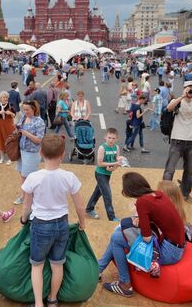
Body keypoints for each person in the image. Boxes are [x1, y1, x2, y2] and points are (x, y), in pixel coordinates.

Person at [20, 134, 86, 307]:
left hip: (41, 225)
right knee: (57, 265)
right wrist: (82, 222)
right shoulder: (69, 176)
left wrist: (23, 218)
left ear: (40, 152)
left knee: (37, 266)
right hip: (62, 224)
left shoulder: (33, 177)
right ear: (63, 154)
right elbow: (79, 205)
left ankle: (38, 303)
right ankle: (52, 299)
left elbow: (26, 206)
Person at [101, 172, 185, 297]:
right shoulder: (159, 194)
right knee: (120, 233)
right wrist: (140, 221)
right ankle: (98, 268)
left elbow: (147, 238)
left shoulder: (142, 202)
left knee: (116, 237)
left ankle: (125, 285)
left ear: (131, 190)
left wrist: (136, 224)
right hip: (177, 247)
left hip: (169, 253)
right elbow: (156, 217)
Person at [163, 81, 192, 204]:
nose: (191, 91)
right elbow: (169, 108)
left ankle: (185, 194)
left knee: (189, 171)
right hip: (177, 140)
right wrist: (182, 96)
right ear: (184, 89)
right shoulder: (178, 101)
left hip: (191, 141)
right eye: (188, 89)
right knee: (170, 169)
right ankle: (164, 196)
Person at [85, 128, 121, 221]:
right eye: (109, 138)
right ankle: (112, 217)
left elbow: (117, 160)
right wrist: (113, 165)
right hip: (100, 174)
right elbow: (100, 163)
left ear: (116, 139)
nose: (111, 140)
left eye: (113, 138)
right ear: (105, 137)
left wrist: (117, 164)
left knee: (98, 192)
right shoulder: (102, 148)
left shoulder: (116, 147)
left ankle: (89, 209)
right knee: (107, 194)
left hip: (108, 174)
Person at [14, 100, 46, 205]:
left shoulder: (39, 122)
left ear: (34, 109)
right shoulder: (24, 118)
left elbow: (39, 140)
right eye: (24, 109)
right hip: (22, 150)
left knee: (29, 176)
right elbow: (19, 128)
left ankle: (27, 197)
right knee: (22, 174)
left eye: (27, 109)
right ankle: (26, 196)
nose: (25, 111)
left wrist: (26, 133)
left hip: (32, 153)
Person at [0, 91, 16, 164]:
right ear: (0, 99)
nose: (5, 98)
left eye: (6, 97)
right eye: (3, 97)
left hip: (8, 125)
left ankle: (10, 158)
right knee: (0, 141)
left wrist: (10, 113)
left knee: (9, 142)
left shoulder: (10, 105)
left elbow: (14, 115)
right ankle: (2, 157)